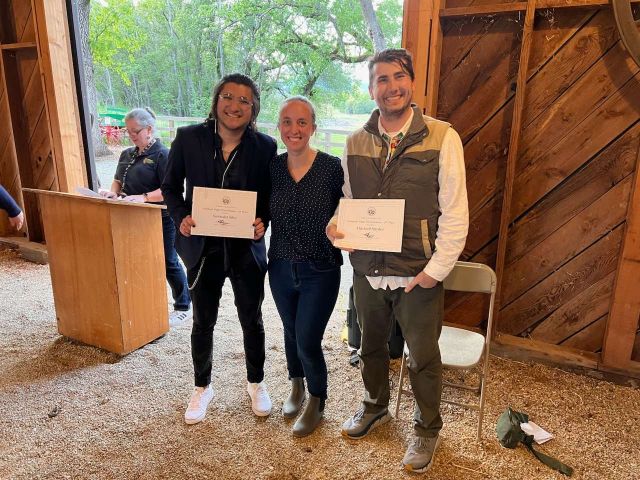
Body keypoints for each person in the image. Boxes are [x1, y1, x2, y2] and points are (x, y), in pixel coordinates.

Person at [326, 49, 468, 473]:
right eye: (381, 80)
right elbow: (349, 200)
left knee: (422, 355)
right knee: (369, 346)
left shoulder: (443, 136)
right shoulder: (355, 141)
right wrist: (338, 225)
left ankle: (426, 429)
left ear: (411, 81)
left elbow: (456, 212)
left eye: (398, 77)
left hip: (417, 272)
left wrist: (434, 272)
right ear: (371, 89)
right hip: (368, 268)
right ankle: (375, 406)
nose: (391, 86)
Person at [161, 73, 277, 424]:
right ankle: (202, 386)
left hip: (246, 250)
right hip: (202, 248)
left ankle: (255, 382)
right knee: (203, 320)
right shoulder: (188, 138)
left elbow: (269, 197)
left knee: (251, 319)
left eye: (244, 100)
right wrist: (181, 215)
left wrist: (263, 221)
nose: (235, 105)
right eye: (228, 96)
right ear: (216, 101)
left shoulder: (265, 147)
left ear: (253, 109)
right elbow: (169, 187)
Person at [268, 97, 343, 437]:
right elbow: (257, 208)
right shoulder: (272, 168)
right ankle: (295, 385)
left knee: (307, 338)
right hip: (281, 266)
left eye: (301, 122)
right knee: (289, 330)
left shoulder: (331, 167)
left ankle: (316, 398)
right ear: (279, 127)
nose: (294, 129)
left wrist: (343, 224)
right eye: (287, 121)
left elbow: (349, 207)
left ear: (313, 127)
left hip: (321, 268)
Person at [100, 108, 191, 326]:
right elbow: (118, 180)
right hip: (130, 216)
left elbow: (170, 190)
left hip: (161, 216)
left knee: (168, 261)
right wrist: (114, 192)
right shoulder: (126, 154)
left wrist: (143, 197)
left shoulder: (163, 154)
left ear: (149, 129)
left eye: (135, 131)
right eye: (128, 130)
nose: (130, 135)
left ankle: (184, 305)